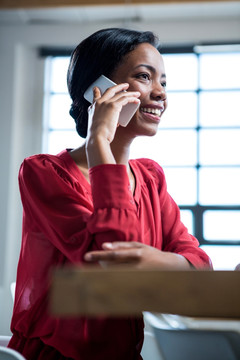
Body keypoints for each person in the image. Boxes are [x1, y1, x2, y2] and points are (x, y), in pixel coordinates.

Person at [8, 28, 212, 360]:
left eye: (163, 82)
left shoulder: (150, 178)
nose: (160, 93)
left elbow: (200, 266)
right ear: (98, 90)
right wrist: (99, 140)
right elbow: (112, 261)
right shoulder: (43, 172)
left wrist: (149, 261)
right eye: (145, 77)